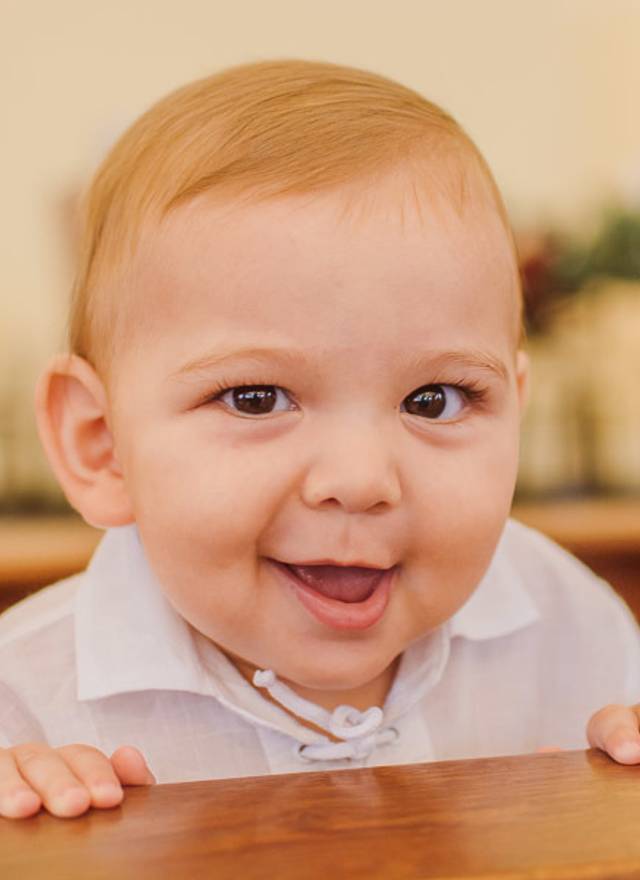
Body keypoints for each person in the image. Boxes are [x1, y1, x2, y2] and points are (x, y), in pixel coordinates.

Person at [1, 59, 638, 821]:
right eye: (256, 398)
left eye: (434, 401)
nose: (360, 480)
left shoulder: (567, 619)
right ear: (100, 445)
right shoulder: (23, 700)